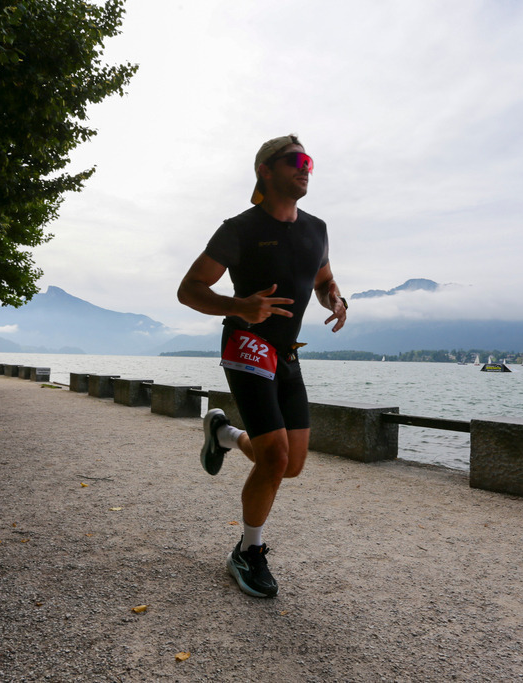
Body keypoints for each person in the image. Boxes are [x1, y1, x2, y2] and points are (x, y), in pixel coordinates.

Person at [177, 134, 347, 598]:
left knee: (290, 466)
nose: (305, 167)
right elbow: (189, 290)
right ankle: (247, 552)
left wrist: (335, 298)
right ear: (265, 171)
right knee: (273, 458)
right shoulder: (239, 229)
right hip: (247, 344)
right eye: (294, 161)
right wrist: (241, 306)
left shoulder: (317, 228)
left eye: (309, 160)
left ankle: (223, 435)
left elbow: (324, 278)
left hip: (288, 352)